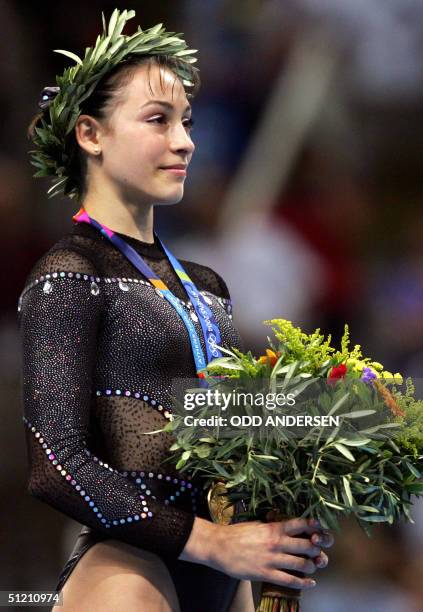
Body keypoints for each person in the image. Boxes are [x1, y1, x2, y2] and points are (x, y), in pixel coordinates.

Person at [20, 9, 334, 612]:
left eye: (186, 121)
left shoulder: (208, 288)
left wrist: (305, 484)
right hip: (130, 572)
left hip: (224, 578)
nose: (185, 141)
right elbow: (54, 464)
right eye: (158, 120)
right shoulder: (71, 275)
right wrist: (213, 541)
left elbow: (229, 431)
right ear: (91, 134)